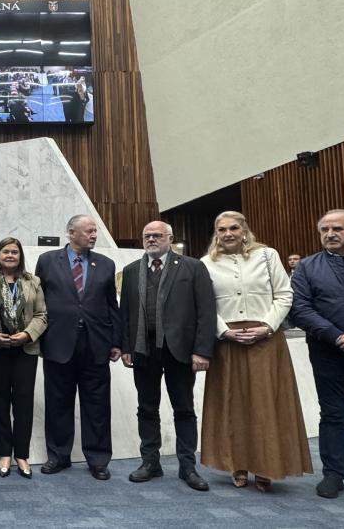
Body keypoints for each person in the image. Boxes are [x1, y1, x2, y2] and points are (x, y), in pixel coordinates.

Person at [199, 211, 312, 492]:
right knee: (232, 404)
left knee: (266, 404)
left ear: (245, 229)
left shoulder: (267, 256)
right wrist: (223, 330)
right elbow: (203, 304)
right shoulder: (205, 264)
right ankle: (237, 464)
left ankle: (266, 467)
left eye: (234, 228)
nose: (228, 234)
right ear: (216, 233)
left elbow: (285, 294)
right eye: (221, 229)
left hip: (266, 339)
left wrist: (267, 326)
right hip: (228, 341)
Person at [119, 221, 214, 491]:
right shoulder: (131, 271)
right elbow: (125, 313)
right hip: (143, 350)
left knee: (183, 409)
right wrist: (126, 347)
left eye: (157, 235)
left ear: (170, 238)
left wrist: (201, 350)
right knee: (146, 408)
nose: (151, 239)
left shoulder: (192, 267)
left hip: (180, 351)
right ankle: (150, 462)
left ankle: (187, 467)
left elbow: (205, 311)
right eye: (147, 235)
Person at [290, 209, 344, 499]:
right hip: (327, 353)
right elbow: (300, 309)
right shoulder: (307, 267)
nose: (330, 234)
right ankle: (333, 476)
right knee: (333, 414)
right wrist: (337, 336)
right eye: (324, 230)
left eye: (337, 228)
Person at [35, 214, 121, 480]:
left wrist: (117, 341)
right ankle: (58, 456)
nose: (94, 235)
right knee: (58, 403)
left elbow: (112, 306)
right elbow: (38, 303)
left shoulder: (106, 264)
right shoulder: (47, 261)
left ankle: (97, 460)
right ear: (71, 233)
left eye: (95, 231)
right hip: (58, 344)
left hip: (96, 345)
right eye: (89, 231)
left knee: (97, 405)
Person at [0, 237, 47, 479]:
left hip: (25, 350)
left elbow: (42, 314)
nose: (10, 255)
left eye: (15, 252)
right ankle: (4, 453)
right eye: (5, 251)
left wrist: (27, 335)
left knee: (23, 404)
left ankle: (21, 454)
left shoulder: (33, 281)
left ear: (20, 256)